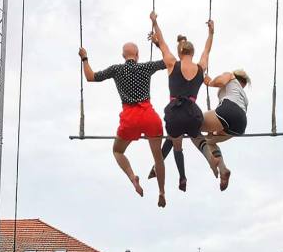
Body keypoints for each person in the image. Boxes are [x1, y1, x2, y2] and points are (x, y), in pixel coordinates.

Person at [80, 12, 172, 206]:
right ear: (137, 56)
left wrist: (85, 58)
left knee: (117, 151)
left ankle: (133, 178)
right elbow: (169, 60)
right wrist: (156, 34)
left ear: (123, 56)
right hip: (149, 116)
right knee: (158, 158)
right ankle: (162, 192)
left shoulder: (116, 69)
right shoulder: (145, 67)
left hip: (130, 119)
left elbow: (90, 77)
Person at [146, 17, 214, 192]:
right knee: (187, 136)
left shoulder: (171, 63)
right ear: (192, 52)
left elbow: (161, 41)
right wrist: (211, 32)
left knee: (175, 141)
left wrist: (154, 21)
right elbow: (207, 50)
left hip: (175, 114)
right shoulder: (201, 67)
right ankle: (176, 173)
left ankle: (181, 176)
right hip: (193, 115)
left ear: (180, 52)